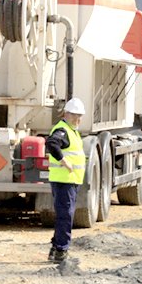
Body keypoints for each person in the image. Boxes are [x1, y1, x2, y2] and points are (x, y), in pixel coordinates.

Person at [45, 98, 87, 263]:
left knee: (64, 215)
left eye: (80, 115)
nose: (78, 119)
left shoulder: (72, 130)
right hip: (64, 181)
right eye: (75, 115)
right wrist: (63, 161)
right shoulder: (62, 130)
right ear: (66, 114)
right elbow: (52, 143)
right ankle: (61, 251)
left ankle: (56, 248)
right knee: (65, 216)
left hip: (70, 181)